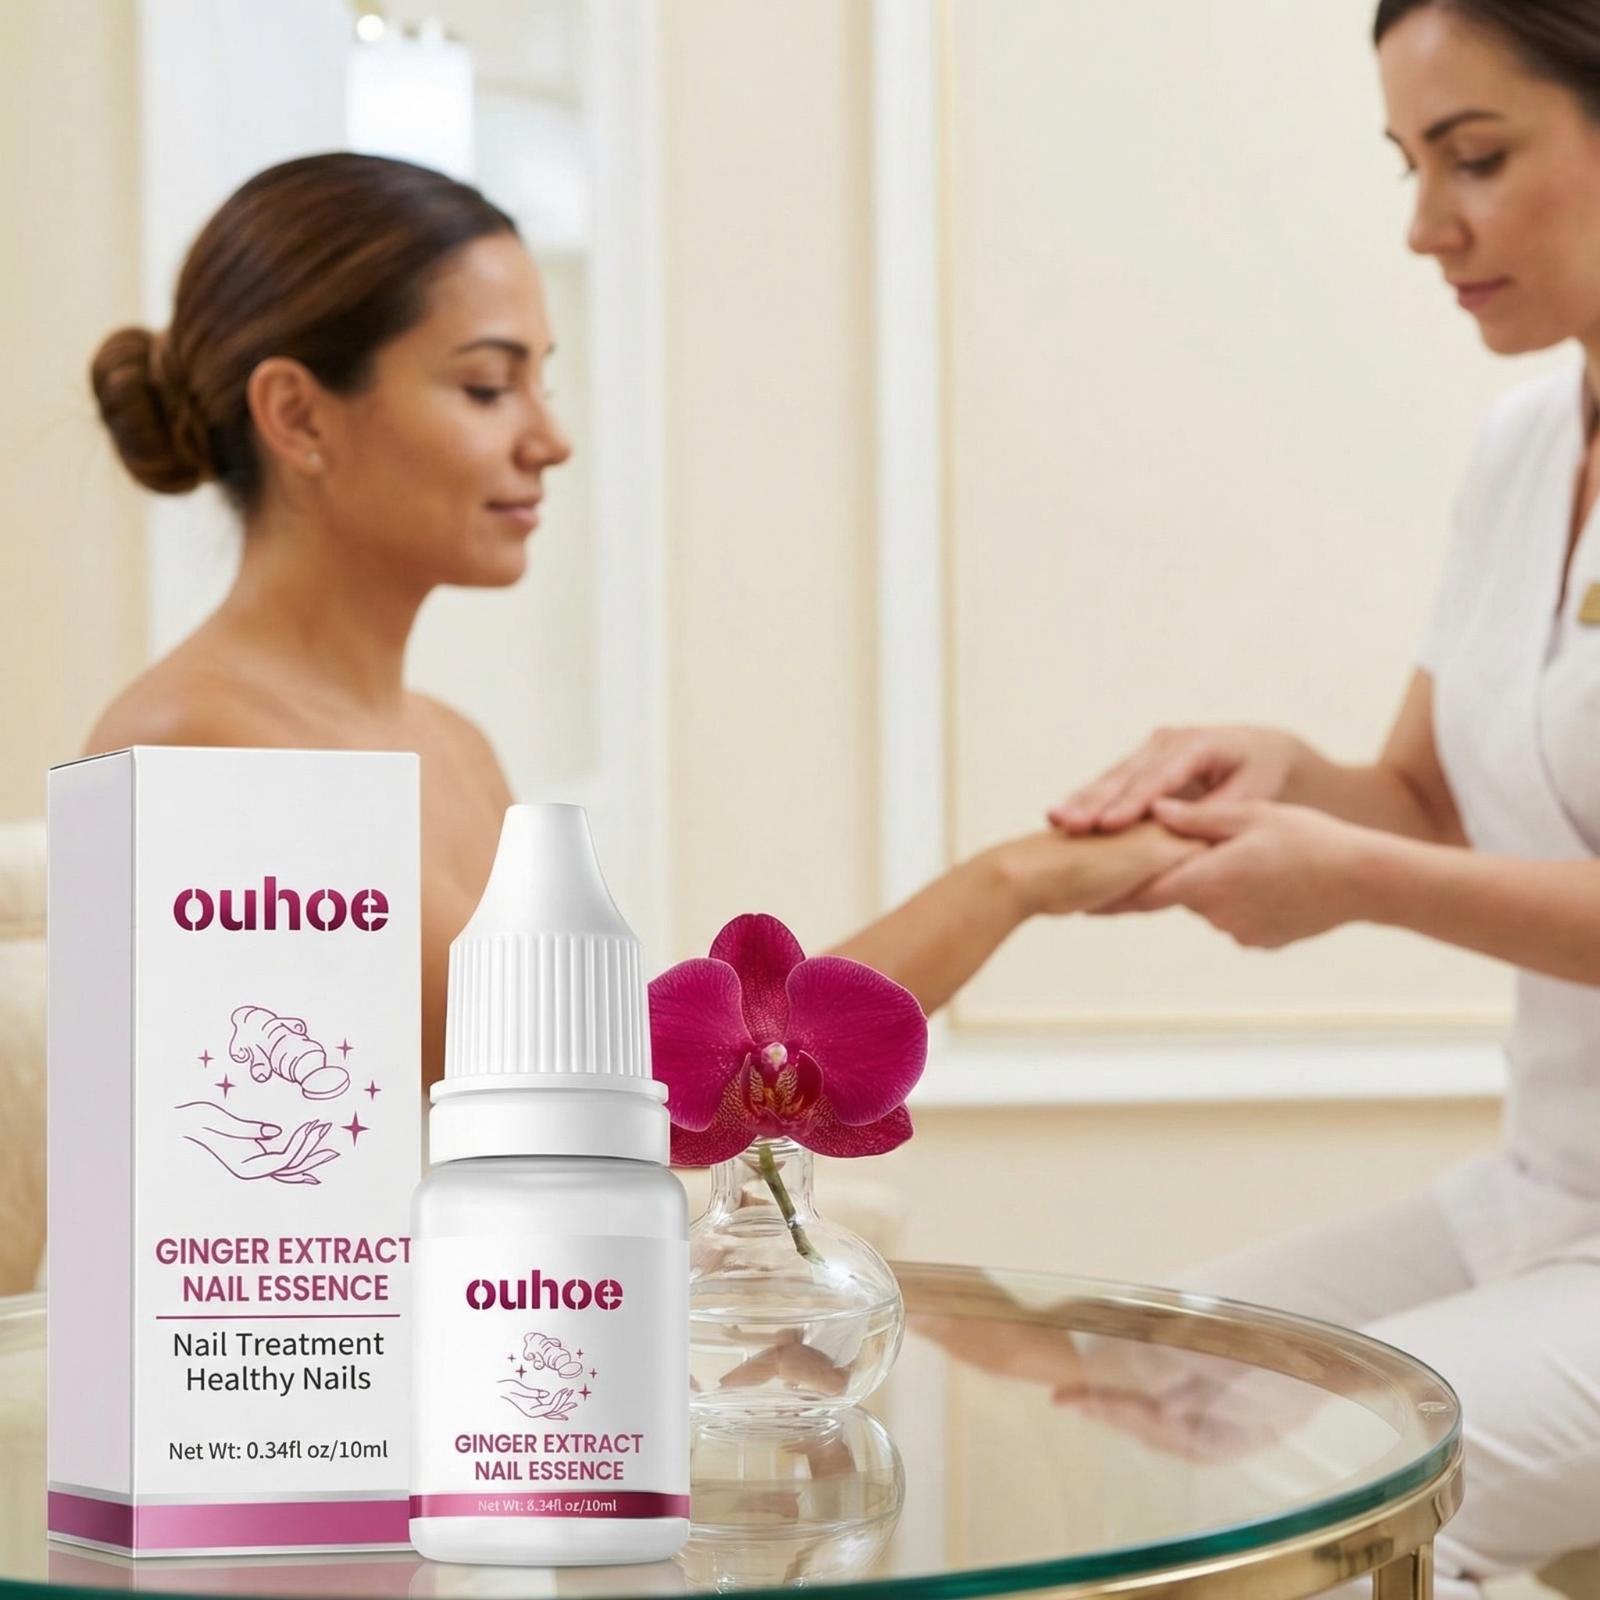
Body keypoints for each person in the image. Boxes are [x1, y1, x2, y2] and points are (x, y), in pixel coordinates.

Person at [85, 151, 1199, 1091]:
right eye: (487, 388)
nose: (550, 439)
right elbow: (623, 1091)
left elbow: (632, 1091)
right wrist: (1014, 883)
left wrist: (1028, 878)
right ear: (296, 414)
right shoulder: (204, 749)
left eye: (543, 381)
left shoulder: (450, 745)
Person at [1043, 2, 1600, 1592]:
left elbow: (1395, 862)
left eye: (1476, 158)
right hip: (1547, 1185)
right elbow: (1431, 796)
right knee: (1136, 1391)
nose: (1427, 226)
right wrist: (1297, 777)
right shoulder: (1523, 448)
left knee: (1326, 1495)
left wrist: (1348, 876)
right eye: (1409, 162)